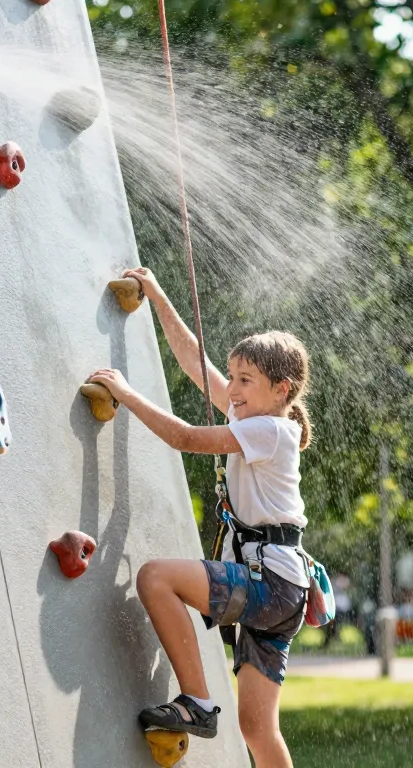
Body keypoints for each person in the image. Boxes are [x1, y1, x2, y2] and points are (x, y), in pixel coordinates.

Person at [89, 267, 313, 768]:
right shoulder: (255, 416)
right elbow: (195, 362)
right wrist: (158, 295)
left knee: (156, 578)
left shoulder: (269, 430)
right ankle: (204, 706)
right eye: (232, 377)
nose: (231, 389)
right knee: (258, 729)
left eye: (244, 380)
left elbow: (187, 438)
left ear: (281, 389)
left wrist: (125, 394)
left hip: (269, 580)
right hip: (284, 588)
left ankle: (197, 702)